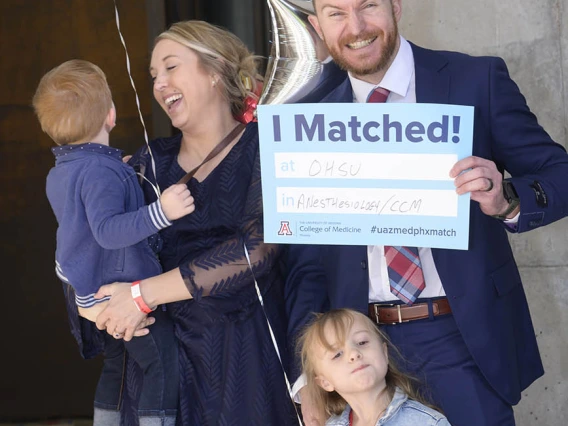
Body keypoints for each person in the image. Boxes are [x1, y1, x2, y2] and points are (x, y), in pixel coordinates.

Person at [285, 1, 568, 426]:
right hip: (360, 354)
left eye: (368, 6)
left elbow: (558, 175)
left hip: (461, 337)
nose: (356, 26)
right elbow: (305, 267)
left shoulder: (476, 80)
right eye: (336, 13)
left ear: (396, 6)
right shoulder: (304, 117)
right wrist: (306, 378)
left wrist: (505, 198)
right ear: (317, 26)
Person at [92, 21, 299, 425]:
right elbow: (99, 244)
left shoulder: (270, 146)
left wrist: (143, 294)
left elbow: (257, 248)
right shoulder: (149, 162)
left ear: (216, 71)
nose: (159, 83)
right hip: (163, 367)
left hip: (246, 361)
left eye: (171, 67)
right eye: (154, 75)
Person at [33, 60, 194, 426]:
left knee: (117, 365)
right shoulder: (99, 172)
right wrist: (163, 211)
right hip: (117, 290)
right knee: (160, 362)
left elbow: (86, 215)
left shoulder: (63, 170)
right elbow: (107, 230)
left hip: (86, 289)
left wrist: (118, 175)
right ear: (111, 115)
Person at [299, 309, 450, 425]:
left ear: (384, 353)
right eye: (337, 354)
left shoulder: (427, 422)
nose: (354, 354)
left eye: (362, 342)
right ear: (325, 382)